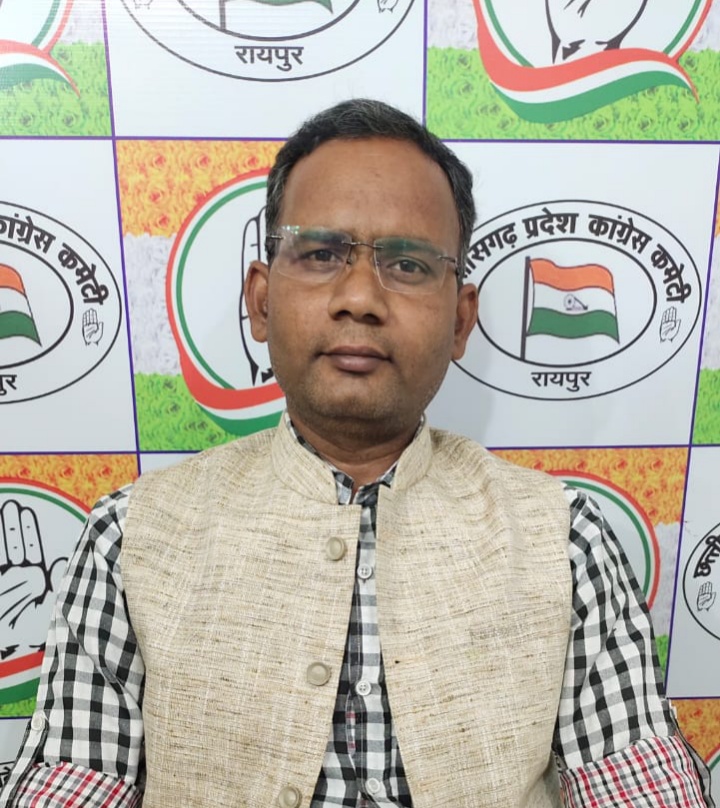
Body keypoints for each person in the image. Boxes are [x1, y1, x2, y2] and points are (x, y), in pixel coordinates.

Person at [0, 99, 712, 808]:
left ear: (460, 321)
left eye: (407, 263)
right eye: (320, 254)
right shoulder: (133, 537)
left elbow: (638, 780)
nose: (361, 298)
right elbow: (72, 781)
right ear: (261, 301)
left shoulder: (563, 538)